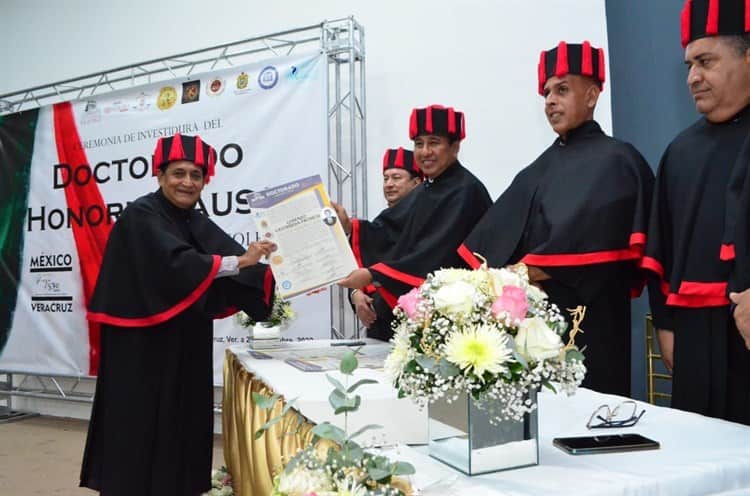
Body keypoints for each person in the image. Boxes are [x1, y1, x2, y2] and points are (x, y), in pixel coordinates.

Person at [80, 133, 277, 495]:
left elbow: (233, 259)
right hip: (139, 348)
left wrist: (281, 273)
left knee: (182, 422)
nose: (187, 182)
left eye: (196, 176)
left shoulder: (192, 219)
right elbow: (178, 265)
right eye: (178, 173)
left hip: (184, 343)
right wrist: (241, 261)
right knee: (138, 427)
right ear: (160, 175)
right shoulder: (143, 214)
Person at [459, 41, 654, 397]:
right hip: (533, 328)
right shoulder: (538, 169)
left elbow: (593, 239)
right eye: (546, 92)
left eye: (562, 90)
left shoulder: (616, 160)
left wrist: (518, 273)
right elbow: (494, 240)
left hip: (592, 323)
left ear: (592, 96)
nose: (549, 100)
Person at [644, 0, 750, 424]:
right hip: (693, 338)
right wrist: (666, 326)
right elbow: (663, 247)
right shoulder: (681, 151)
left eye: (706, 61)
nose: (693, 77)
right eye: (689, 64)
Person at [335, 105, 492, 339]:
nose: (425, 151)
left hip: (449, 322)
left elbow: (435, 255)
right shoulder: (429, 187)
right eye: (419, 144)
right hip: (419, 320)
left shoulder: (465, 191)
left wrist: (374, 273)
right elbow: (390, 232)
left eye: (434, 142)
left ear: (455, 146)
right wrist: (349, 226)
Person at [350, 147, 423, 339]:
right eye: (385, 178)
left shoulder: (425, 221)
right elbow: (359, 265)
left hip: (414, 325)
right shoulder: (381, 223)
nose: (389, 184)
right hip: (378, 326)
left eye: (397, 177)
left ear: (417, 183)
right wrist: (356, 294)